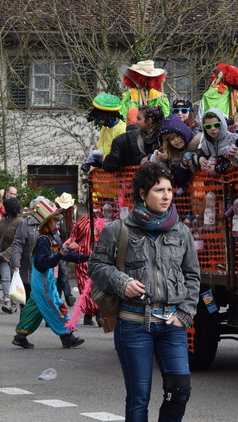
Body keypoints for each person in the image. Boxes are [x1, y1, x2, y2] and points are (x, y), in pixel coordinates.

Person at [89, 163, 200, 422]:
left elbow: (193, 276)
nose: (166, 196)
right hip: (133, 324)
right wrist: (121, 282)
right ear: (142, 193)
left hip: (172, 324)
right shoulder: (119, 229)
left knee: (180, 392)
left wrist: (185, 314)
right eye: (159, 190)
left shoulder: (181, 231)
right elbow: (96, 266)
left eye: (169, 190)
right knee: (139, 398)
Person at [11, 198, 87, 350]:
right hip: (43, 281)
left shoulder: (50, 238)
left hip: (44, 280)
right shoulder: (44, 240)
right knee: (54, 306)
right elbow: (42, 263)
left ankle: (20, 336)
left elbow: (65, 255)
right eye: (54, 221)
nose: (57, 224)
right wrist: (59, 255)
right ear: (48, 223)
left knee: (34, 308)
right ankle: (66, 336)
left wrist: (86, 257)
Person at [103, 105, 165, 172]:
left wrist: (150, 157)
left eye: (139, 119)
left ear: (149, 121)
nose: (136, 122)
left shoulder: (163, 135)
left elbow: (170, 154)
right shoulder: (141, 136)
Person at [151, 114, 196, 190]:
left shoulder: (196, 143)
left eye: (178, 136)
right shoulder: (171, 157)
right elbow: (179, 180)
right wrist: (183, 166)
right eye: (172, 139)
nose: (176, 140)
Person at [0, 197, 22, 314]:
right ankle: (7, 301)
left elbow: (18, 241)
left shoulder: (20, 221)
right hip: (2, 254)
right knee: (5, 278)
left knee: (14, 279)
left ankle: (14, 302)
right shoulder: (2, 221)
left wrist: (8, 253)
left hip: (15, 254)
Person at [198, 108, 238, 174]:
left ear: (222, 124)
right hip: (214, 179)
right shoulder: (206, 142)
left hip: (233, 177)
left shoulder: (234, 139)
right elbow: (202, 152)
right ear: (204, 128)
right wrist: (201, 158)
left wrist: (217, 169)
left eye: (216, 125)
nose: (213, 129)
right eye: (208, 126)